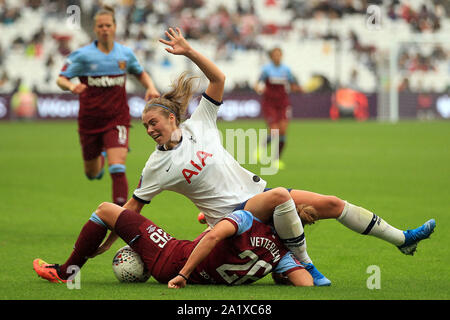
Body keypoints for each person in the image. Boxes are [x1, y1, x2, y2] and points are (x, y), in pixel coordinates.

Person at [63, 27, 436, 287]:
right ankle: (304, 263)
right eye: (144, 127)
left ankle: (402, 237)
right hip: (233, 219)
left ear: (172, 117)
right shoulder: (156, 166)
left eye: (153, 122)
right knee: (283, 201)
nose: (149, 130)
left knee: (332, 204)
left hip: (254, 197)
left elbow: (219, 80)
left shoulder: (201, 122)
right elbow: (133, 206)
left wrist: (190, 51)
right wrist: (113, 239)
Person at [33, 204, 314, 287]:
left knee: (107, 211)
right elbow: (306, 284)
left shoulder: (247, 220)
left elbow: (214, 238)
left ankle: (66, 272)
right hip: (195, 273)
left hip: (172, 256)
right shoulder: (282, 253)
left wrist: (183, 274)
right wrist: (282, 274)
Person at [56, 5, 160, 207]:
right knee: (91, 173)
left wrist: (151, 86)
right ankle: (100, 160)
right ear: (95, 29)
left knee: (118, 167)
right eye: (100, 26)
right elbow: (61, 78)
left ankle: (120, 218)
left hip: (117, 118)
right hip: (90, 120)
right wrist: (70, 85)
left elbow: (140, 73)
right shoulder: (82, 56)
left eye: (108, 25)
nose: (104, 29)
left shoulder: (125, 54)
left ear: (115, 27)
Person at [253, 47, 302, 170]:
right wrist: (258, 88)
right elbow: (257, 83)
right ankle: (262, 148)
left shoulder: (286, 70)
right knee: (274, 130)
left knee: (283, 131)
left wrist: (297, 88)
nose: (277, 57)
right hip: (269, 103)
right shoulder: (266, 70)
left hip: (283, 103)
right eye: (275, 55)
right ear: (271, 56)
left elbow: (293, 84)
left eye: (279, 55)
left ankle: (277, 160)